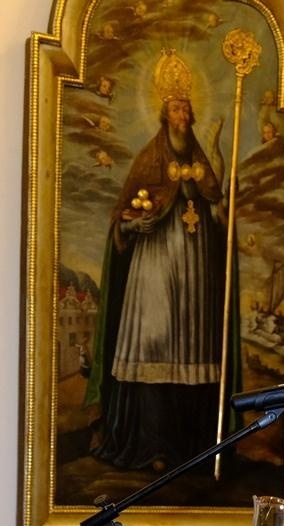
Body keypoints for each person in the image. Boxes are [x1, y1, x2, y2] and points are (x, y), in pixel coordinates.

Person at [85, 49, 238, 472]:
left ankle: (189, 446)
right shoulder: (150, 159)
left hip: (193, 272)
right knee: (152, 346)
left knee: (191, 355)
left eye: (185, 107)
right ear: (162, 112)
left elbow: (215, 202)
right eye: (174, 107)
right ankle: (150, 444)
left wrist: (220, 207)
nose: (181, 114)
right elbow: (122, 217)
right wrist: (136, 227)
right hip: (153, 269)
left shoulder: (201, 160)